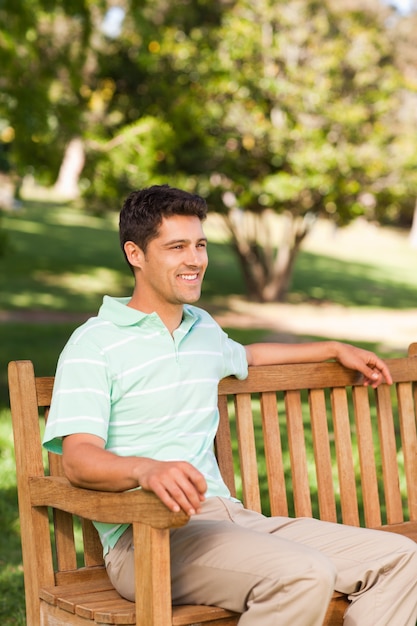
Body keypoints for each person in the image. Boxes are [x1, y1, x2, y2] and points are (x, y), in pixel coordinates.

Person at [43, 184, 417, 626]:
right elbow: (79, 460)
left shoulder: (201, 328)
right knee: (302, 574)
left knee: (400, 557)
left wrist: (334, 347)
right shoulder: (95, 343)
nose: (195, 260)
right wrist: (146, 469)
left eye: (200, 245)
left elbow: (251, 355)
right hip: (149, 535)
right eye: (177, 247)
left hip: (232, 519)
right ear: (135, 254)